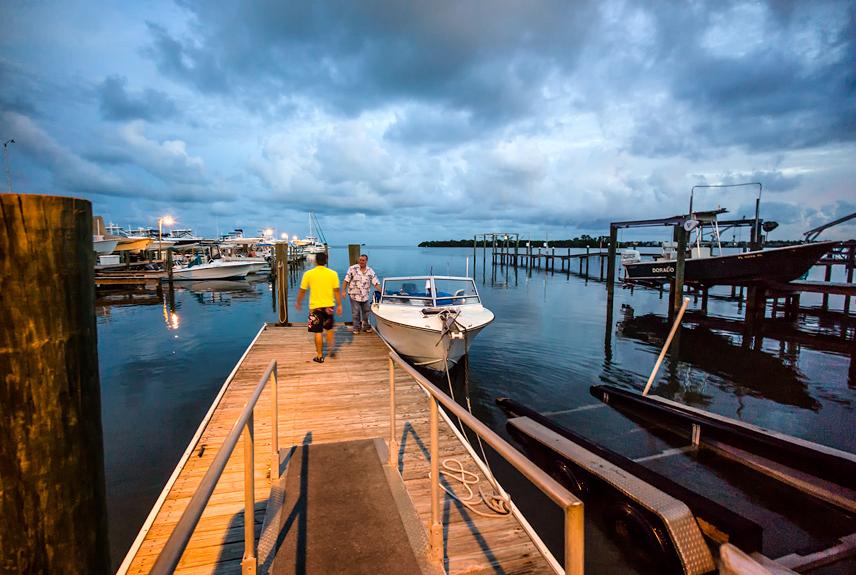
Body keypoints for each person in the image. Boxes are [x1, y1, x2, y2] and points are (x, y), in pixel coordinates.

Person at [296, 251, 342, 363]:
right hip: (329, 307)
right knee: (329, 329)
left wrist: (298, 302)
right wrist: (340, 304)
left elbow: (302, 291)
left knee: (318, 332)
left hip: (315, 307)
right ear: (326, 261)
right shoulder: (333, 274)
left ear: (315, 261)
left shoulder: (308, 274)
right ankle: (331, 351)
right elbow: (336, 291)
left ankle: (320, 355)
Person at [342, 254, 381, 333]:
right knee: (356, 312)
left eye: (363, 260)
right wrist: (343, 290)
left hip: (365, 296)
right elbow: (346, 280)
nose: (361, 262)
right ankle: (356, 328)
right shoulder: (352, 268)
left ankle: (366, 327)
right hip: (354, 295)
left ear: (366, 261)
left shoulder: (370, 271)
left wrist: (382, 292)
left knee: (366, 312)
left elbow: (376, 282)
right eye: (360, 260)